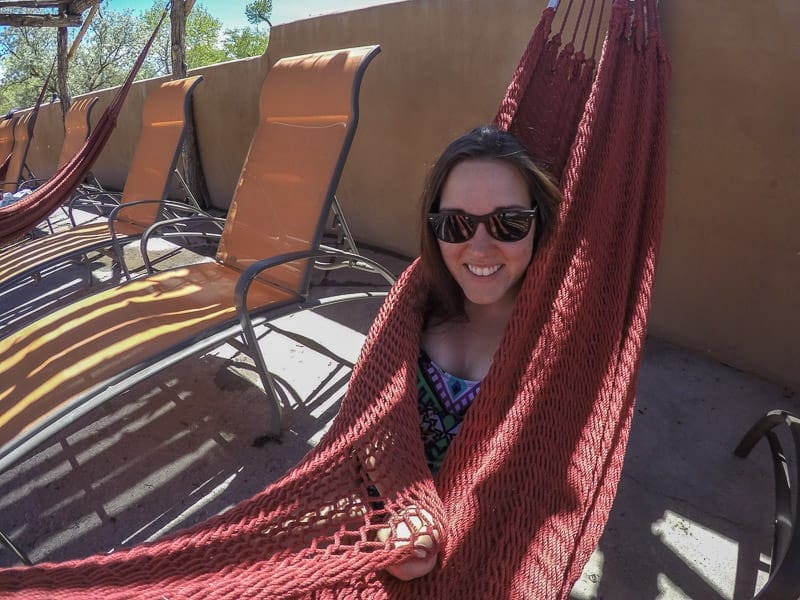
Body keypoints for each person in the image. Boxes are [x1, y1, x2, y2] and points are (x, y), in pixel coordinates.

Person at [383, 124, 562, 581]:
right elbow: (367, 434)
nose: (480, 247)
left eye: (509, 223)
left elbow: (553, 490)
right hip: (380, 529)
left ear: (539, 222)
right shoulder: (408, 313)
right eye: (456, 224)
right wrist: (404, 510)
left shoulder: (557, 347)